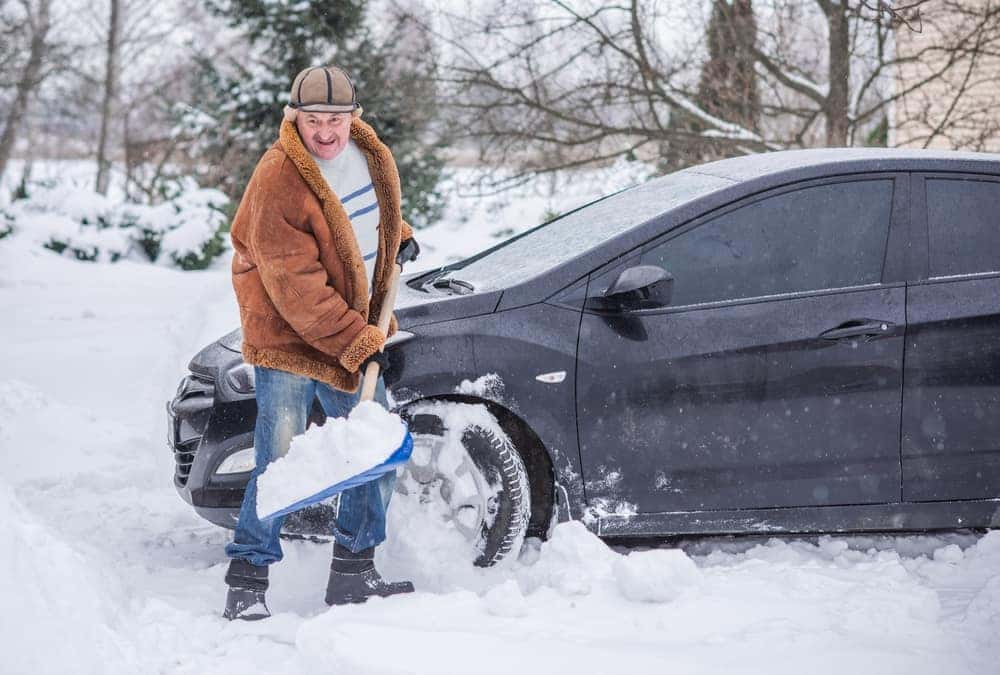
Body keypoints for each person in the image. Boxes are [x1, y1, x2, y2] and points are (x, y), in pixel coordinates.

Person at [222, 65, 420, 620]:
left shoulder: (368, 153)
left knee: (373, 448)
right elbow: (298, 290)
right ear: (294, 118)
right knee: (278, 462)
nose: (326, 131)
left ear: (353, 118)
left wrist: (396, 236)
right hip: (290, 338)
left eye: (335, 118)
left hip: (346, 330)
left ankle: (354, 572)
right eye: (313, 120)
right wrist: (362, 342)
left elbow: (358, 221)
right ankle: (247, 578)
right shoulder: (278, 178)